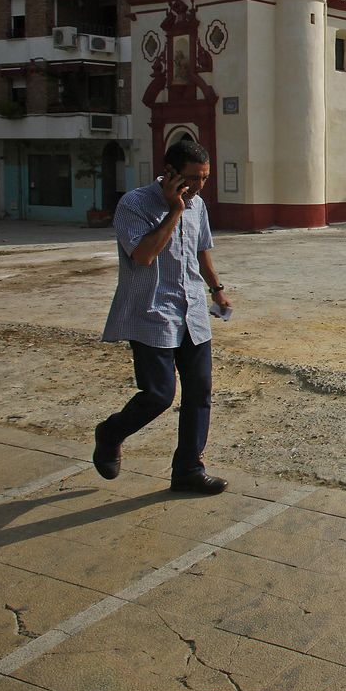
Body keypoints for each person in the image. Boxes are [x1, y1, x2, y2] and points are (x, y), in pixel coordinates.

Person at [93, 139, 232, 493]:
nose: (200, 187)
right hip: (152, 312)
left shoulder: (198, 205)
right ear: (169, 173)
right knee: (158, 394)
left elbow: (201, 252)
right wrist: (174, 210)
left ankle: (188, 469)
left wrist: (216, 289)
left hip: (193, 311)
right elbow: (144, 254)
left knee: (200, 392)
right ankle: (110, 433)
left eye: (205, 178)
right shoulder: (134, 204)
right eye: (193, 178)